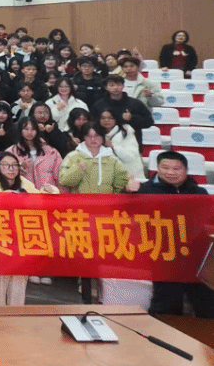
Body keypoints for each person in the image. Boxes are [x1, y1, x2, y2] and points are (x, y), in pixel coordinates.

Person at [131, 151, 213, 318]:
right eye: (165, 167)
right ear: (157, 168)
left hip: (195, 255)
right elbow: (123, 213)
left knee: (207, 303)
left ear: (186, 170)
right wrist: (129, 193)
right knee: (166, 305)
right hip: (163, 255)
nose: (170, 172)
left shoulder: (199, 193)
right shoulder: (144, 190)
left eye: (176, 169)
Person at [58, 124, 130, 304]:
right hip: (80, 213)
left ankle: (100, 288)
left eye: (97, 135)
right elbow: (64, 180)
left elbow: (121, 181)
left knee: (102, 250)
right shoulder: (74, 156)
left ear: (103, 137)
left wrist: (113, 198)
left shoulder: (111, 158)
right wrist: (79, 168)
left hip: (104, 213)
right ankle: (85, 289)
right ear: (83, 137)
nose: (93, 139)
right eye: (89, 135)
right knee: (84, 250)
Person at [0, 152, 43, 306]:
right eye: (6, 165)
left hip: (20, 240)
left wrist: (49, 191)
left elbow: (40, 203)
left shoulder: (25, 183)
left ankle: (16, 318)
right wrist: (4, 198)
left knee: (19, 286)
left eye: (14, 165)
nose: (11, 169)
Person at [90, 75, 152, 143]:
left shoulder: (135, 103)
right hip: (105, 142)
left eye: (119, 85)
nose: (116, 88)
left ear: (123, 86)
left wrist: (132, 118)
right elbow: (92, 124)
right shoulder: (99, 105)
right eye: (112, 85)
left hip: (131, 142)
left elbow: (149, 122)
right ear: (106, 87)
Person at [96, 108, 144, 179]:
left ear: (116, 119)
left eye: (110, 118)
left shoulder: (126, 132)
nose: (106, 120)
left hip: (131, 174)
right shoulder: (96, 134)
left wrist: (113, 147)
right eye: (103, 118)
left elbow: (131, 157)